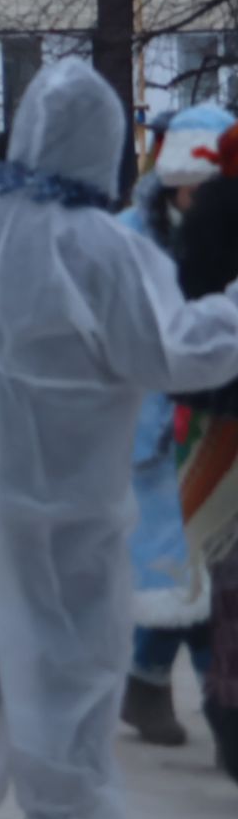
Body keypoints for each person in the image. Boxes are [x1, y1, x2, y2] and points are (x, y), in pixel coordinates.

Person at [0, 60, 238, 819]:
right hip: (56, 482)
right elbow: (171, 353)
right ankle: (69, 818)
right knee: (68, 643)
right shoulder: (101, 246)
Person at [117, 103, 229, 746]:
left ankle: (148, 676)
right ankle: (216, 703)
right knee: (178, 570)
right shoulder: (131, 237)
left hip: (222, 422)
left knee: (209, 569)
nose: (199, 197)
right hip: (154, 428)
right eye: (191, 185)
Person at [169, 121, 238, 785]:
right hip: (226, 421)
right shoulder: (217, 215)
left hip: (220, 418)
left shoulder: (208, 215)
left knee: (229, 578)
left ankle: (229, 710)